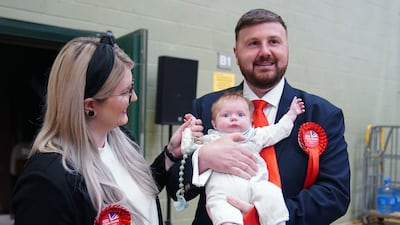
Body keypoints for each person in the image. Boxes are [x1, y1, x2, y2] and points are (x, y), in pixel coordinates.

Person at [165, 8, 350, 225]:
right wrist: (203, 159)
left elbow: (335, 194)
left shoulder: (322, 114)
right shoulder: (207, 108)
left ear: (286, 48)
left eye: (273, 42)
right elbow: (177, 189)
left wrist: (267, 217)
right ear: (236, 53)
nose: (264, 52)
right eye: (253, 43)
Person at [11, 32, 202, 225]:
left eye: (132, 86)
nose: (134, 97)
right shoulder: (47, 180)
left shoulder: (122, 139)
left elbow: (137, 192)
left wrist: (169, 154)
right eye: (125, 92)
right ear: (90, 106)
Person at [179, 92, 304, 225]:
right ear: (214, 124)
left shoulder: (255, 136)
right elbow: (189, 145)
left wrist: (291, 114)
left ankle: (277, 222)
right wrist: (189, 129)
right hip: (223, 188)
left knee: (272, 192)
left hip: (254, 184)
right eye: (226, 115)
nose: (234, 118)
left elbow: (278, 131)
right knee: (218, 203)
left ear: (251, 121)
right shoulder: (210, 140)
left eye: (240, 115)